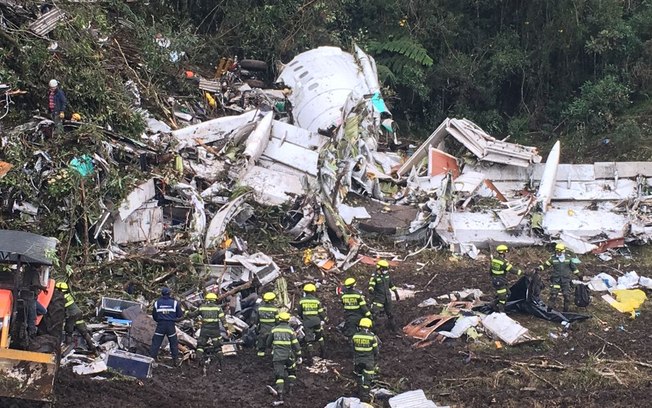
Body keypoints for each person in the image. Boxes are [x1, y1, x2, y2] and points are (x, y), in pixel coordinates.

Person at [185, 292, 229, 368]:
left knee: (200, 346)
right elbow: (223, 320)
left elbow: (192, 315)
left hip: (204, 330)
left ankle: (196, 364)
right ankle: (222, 365)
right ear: (214, 300)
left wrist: (186, 312)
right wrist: (227, 329)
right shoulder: (218, 308)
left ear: (207, 300)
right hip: (215, 331)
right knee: (218, 347)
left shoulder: (202, 307)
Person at [266, 311, 302, 402]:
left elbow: (268, 343)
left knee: (279, 376)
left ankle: (280, 394)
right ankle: (290, 390)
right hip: (289, 356)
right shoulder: (290, 331)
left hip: (277, 357)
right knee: (292, 372)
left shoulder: (274, 330)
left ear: (279, 319)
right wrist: (299, 355)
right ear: (287, 320)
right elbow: (296, 345)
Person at [55, 281, 97, 354]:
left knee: (69, 331)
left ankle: (67, 348)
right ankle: (93, 348)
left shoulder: (61, 297)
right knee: (83, 331)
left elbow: (61, 309)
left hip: (72, 315)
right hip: (79, 313)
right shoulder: (68, 295)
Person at [539, 243, 581, 312]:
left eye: (559, 251)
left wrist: (579, 275)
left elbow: (573, 268)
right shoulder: (553, 258)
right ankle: (549, 310)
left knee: (567, 296)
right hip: (556, 280)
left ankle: (565, 311)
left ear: (563, 251)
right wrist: (539, 268)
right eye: (557, 251)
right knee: (553, 295)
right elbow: (545, 265)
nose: (558, 253)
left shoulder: (568, 258)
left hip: (566, 280)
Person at [150, 287, 184, 366]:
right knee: (173, 342)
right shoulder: (175, 303)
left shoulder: (157, 303)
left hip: (160, 325)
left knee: (156, 342)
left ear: (161, 294)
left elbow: (154, 315)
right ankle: (175, 360)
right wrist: (173, 318)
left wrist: (160, 320)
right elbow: (180, 315)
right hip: (170, 325)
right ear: (169, 294)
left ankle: (152, 359)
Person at [295, 283, 326, 362]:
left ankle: (310, 358)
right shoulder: (316, 301)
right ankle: (323, 353)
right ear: (313, 291)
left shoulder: (302, 301)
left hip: (307, 322)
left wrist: (303, 318)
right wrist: (325, 318)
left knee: (309, 340)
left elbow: (299, 312)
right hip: (316, 321)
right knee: (320, 336)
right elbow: (321, 312)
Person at [352, 317, 379, 399]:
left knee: (359, 377)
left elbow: (353, 348)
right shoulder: (372, 337)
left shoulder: (355, 336)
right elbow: (376, 351)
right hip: (368, 361)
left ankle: (359, 393)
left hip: (358, 361)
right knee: (367, 380)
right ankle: (365, 397)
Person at [368, 260, 400, 331]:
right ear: (379, 268)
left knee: (390, 314)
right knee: (375, 314)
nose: (386, 271)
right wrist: (371, 290)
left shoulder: (387, 276)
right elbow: (371, 286)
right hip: (378, 299)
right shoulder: (374, 277)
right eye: (384, 269)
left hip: (387, 298)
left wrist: (396, 292)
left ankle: (394, 329)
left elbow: (391, 285)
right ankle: (372, 330)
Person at [490, 244, 522, 312]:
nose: (507, 254)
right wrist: (523, 272)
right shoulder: (503, 262)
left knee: (508, 293)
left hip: (496, 280)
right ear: (503, 252)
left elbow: (490, 271)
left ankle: (494, 303)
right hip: (500, 281)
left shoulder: (494, 260)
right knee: (503, 298)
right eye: (506, 252)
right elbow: (512, 270)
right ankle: (501, 312)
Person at [252, 291, 279, 357]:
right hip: (272, 329)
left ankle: (261, 353)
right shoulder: (275, 310)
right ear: (272, 300)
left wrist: (256, 326)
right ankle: (273, 351)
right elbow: (277, 321)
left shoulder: (260, 308)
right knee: (273, 340)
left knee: (261, 340)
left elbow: (256, 320)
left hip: (263, 329)